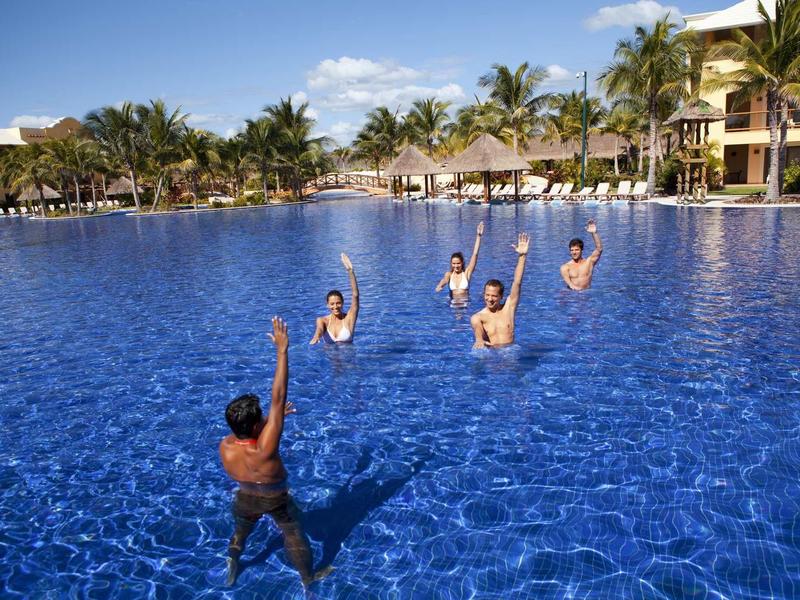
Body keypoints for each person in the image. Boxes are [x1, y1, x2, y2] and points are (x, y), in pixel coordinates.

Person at [219, 317, 330, 587]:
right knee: (293, 533)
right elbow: (278, 396)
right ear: (257, 426)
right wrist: (282, 351)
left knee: (241, 532)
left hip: (245, 498)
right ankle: (308, 578)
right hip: (276, 500)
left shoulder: (225, 445)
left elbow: (251, 427)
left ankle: (233, 562)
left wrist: (270, 419)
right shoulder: (264, 449)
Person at [470, 233, 529, 349]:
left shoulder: (509, 308)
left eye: (494, 296)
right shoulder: (478, 317)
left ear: (501, 296)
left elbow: (517, 282)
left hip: (511, 351)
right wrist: (479, 341)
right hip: (493, 356)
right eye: (487, 295)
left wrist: (522, 257)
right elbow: (478, 336)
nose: (490, 299)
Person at [310, 253, 359, 345]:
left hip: (348, 358)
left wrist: (350, 271)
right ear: (327, 305)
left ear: (343, 303)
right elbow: (319, 329)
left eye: (338, 303)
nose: (335, 306)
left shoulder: (349, 318)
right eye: (332, 304)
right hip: (328, 359)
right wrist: (316, 336)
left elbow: (355, 295)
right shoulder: (322, 320)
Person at [435, 221, 484, 302]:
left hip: (465, 304)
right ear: (451, 264)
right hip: (452, 304)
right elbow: (444, 280)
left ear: (462, 263)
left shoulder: (467, 273)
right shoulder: (449, 274)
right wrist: (440, 285)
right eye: (454, 263)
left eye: (458, 263)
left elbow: (475, 254)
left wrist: (478, 236)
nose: (456, 266)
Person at [560, 219, 603, 291]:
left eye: (576, 250)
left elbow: (599, 249)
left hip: (586, 293)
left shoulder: (589, 263)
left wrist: (594, 233)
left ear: (581, 250)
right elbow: (570, 284)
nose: (574, 252)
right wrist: (579, 293)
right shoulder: (565, 267)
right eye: (572, 250)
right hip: (572, 295)